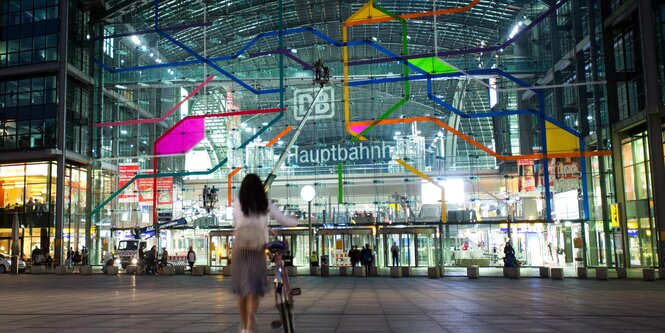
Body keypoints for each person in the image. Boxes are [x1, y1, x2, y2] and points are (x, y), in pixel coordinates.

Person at [232, 173, 297, 333]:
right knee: (254, 289)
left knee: (242, 290)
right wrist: (295, 220)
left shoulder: (237, 203)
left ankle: (244, 326)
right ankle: (250, 324)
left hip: (240, 250)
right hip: (257, 249)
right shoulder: (264, 203)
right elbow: (284, 221)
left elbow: (236, 225)